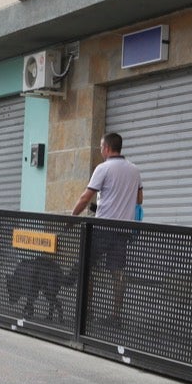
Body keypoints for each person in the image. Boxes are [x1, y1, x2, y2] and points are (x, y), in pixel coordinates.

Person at [72, 132, 143, 322]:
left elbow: (85, 197)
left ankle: (88, 311)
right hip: (123, 230)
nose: (101, 150)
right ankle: (116, 315)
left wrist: (72, 216)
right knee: (118, 273)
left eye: (101, 147)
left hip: (102, 229)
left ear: (106, 148)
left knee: (87, 267)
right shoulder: (135, 170)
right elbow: (139, 199)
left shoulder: (103, 169)